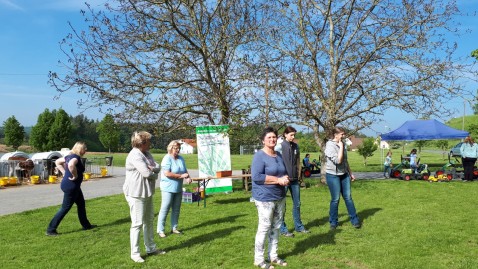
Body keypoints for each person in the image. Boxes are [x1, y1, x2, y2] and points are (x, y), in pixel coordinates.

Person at [123, 131, 165, 263]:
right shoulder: (135, 155)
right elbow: (147, 173)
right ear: (142, 143)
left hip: (147, 192)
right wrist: (153, 172)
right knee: (137, 224)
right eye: (149, 142)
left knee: (149, 221)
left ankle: (151, 248)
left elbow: (158, 166)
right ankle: (135, 254)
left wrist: (153, 168)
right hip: (136, 193)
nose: (151, 144)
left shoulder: (146, 153)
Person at [251, 127, 289, 269]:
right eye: (269, 138)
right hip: (264, 197)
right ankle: (258, 259)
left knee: (277, 227)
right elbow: (256, 177)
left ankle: (273, 256)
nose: (272, 140)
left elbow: (282, 173)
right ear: (263, 140)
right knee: (265, 227)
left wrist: (284, 178)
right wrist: (277, 180)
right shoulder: (259, 156)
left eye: (274, 137)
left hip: (280, 196)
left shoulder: (278, 155)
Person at [46, 142, 95, 236]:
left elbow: (57, 162)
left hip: (71, 185)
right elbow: (71, 165)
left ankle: (86, 225)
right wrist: (74, 175)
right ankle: (51, 229)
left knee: (81, 204)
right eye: (85, 148)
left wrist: (64, 173)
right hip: (71, 186)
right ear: (80, 149)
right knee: (65, 208)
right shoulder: (75, 157)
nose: (86, 150)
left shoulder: (68, 156)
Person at [324, 127, 361, 230]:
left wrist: (350, 173)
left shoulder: (343, 144)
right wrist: (340, 147)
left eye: (344, 134)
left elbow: (345, 161)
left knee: (348, 197)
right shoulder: (329, 145)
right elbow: (338, 161)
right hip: (333, 176)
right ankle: (333, 222)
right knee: (335, 199)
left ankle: (355, 220)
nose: (343, 136)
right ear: (336, 135)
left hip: (344, 175)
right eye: (342, 134)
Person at [279, 126, 309, 238]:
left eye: (294, 135)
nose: (293, 137)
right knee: (282, 206)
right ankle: (283, 229)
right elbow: (278, 162)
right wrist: (282, 176)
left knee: (297, 204)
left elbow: (297, 162)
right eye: (291, 135)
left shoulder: (296, 146)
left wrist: (299, 175)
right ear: (285, 134)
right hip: (284, 180)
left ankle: (299, 226)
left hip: (295, 180)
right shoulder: (280, 146)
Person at [157, 140, 192, 238]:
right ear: (170, 148)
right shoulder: (167, 158)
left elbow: (185, 171)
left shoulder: (181, 158)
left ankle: (174, 228)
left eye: (179, 148)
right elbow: (167, 173)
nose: (178, 150)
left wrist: (188, 177)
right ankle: (160, 230)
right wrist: (181, 176)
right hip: (167, 188)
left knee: (176, 209)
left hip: (178, 188)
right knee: (165, 208)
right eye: (176, 148)